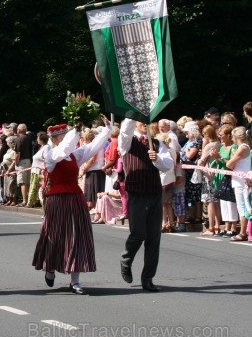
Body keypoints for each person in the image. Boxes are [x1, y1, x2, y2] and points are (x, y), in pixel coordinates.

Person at [32, 118, 110, 296]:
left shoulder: (73, 155)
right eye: (66, 135)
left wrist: (107, 130)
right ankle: (50, 267)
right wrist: (75, 129)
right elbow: (65, 148)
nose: (71, 138)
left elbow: (93, 147)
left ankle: (75, 281)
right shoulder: (50, 155)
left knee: (77, 237)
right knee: (55, 236)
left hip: (75, 198)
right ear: (57, 138)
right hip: (57, 200)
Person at [118, 118, 174, 292]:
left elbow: (168, 166)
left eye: (146, 121)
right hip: (137, 192)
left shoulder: (157, 143)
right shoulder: (128, 141)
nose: (144, 123)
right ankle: (126, 260)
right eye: (140, 120)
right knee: (138, 233)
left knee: (153, 238)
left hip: (154, 192)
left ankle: (148, 278)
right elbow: (124, 131)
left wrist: (156, 159)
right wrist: (132, 113)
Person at [226, 126, 250, 242]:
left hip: (241, 181)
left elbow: (229, 165)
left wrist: (232, 155)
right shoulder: (245, 147)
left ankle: (242, 232)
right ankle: (245, 231)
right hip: (240, 179)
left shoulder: (242, 147)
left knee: (242, 207)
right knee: (244, 206)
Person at [13, 124, 33, 207]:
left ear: (18, 130)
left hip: (22, 161)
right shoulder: (29, 138)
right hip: (29, 160)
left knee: (22, 182)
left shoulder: (19, 139)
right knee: (27, 182)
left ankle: (24, 201)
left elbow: (18, 153)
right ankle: (28, 200)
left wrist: (16, 163)